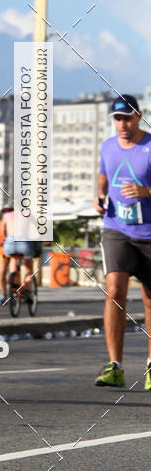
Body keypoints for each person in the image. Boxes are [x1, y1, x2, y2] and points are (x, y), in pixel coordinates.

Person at [93, 95, 151, 390]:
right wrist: (100, 196)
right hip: (116, 228)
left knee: (149, 299)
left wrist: (146, 191)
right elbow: (104, 175)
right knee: (114, 288)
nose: (122, 124)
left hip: (149, 234)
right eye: (117, 119)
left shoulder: (150, 147)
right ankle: (115, 366)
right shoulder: (107, 146)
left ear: (139, 116)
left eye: (127, 118)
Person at [2, 208, 35, 291]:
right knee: (28, 268)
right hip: (23, 243)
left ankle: (14, 287)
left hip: (9, 244)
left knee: (13, 261)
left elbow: (3, 231)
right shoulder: (27, 214)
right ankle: (27, 290)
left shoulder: (6, 215)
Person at [0, 206, 12, 301]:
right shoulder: (0, 223)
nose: (7, 213)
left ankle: (14, 295)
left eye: (9, 211)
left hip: (14, 250)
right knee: (2, 274)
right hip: (2, 251)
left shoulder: (14, 223)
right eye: (5, 212)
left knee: (14, 273)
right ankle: (4, 294)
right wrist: (0, 241)